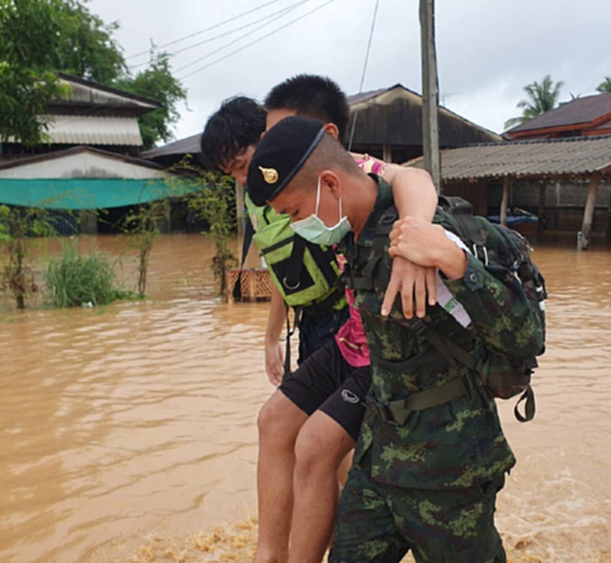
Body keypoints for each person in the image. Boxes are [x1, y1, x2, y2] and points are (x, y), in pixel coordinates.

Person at [247, 116, 543, 563]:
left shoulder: (428, 236)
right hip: (379, 467)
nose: (296, 226)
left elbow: (526, 338)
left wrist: (457, 265)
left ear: (330, 185)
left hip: (449, 475)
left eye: (294, 213)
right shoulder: (357, 232)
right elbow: (404, 175)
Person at [200, 77, 440, 563]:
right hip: (335, 335)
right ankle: (271, 554)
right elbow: (283, 268)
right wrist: (272, 337)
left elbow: (415, 177)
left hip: (365, 335)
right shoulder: (276, 194)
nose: (253, 176)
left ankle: (341, 539)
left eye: (249, 161)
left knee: (325, 448)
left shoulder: (346, 178)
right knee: (278, 423)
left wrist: (415, 241)